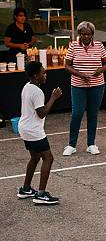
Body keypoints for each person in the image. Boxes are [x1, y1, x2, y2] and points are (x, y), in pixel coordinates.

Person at [17, 61, 62, 204]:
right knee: (48, 158)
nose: (45, 75)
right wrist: (53, 98)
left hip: (24, 128)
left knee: (35, 157)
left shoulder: (27, 87)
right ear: (36, 76)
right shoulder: (37, 91)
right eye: (43, 72)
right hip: (33, 130)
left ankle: (26, 189)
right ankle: (41, 194)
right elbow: (41, 113)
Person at [63, 21, 106, 156]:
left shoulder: (99, 46)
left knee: (93, 113)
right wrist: (80, 74)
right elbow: (67, 65)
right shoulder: (73, 46)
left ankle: (91, 143)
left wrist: (99, 71)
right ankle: (71, 144)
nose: (85, 37)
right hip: (78, 85)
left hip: (97, 84)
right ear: (79, 34)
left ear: (92, 35)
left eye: (88, 34)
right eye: (83, 34)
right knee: (77, 113)